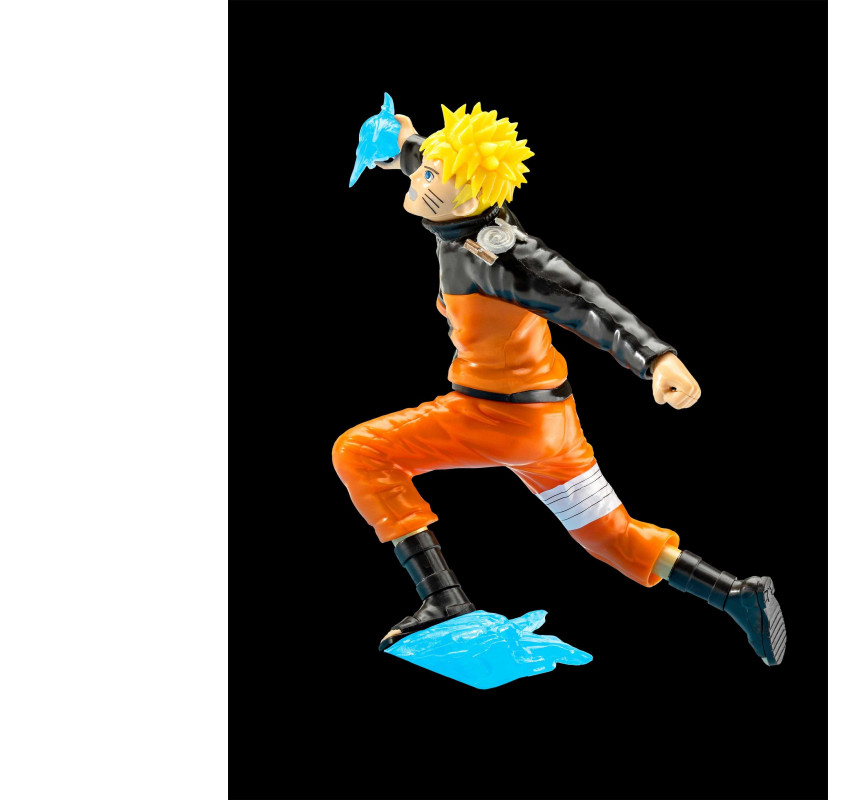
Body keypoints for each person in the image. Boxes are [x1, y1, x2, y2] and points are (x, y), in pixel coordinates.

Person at [335, 101, 786, 665]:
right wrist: (403, 143)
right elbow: (435, 159)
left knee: (360, 452)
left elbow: (586, 303)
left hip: (496, 417)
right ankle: (736, 595)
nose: (419, 179)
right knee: (611, 537)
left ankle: (444, 598)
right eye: (422, 170)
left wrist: (655, 358)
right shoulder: (459, 200)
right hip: (553, 427)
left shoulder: (503, 258)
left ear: (471, 195)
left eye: (431, 176)